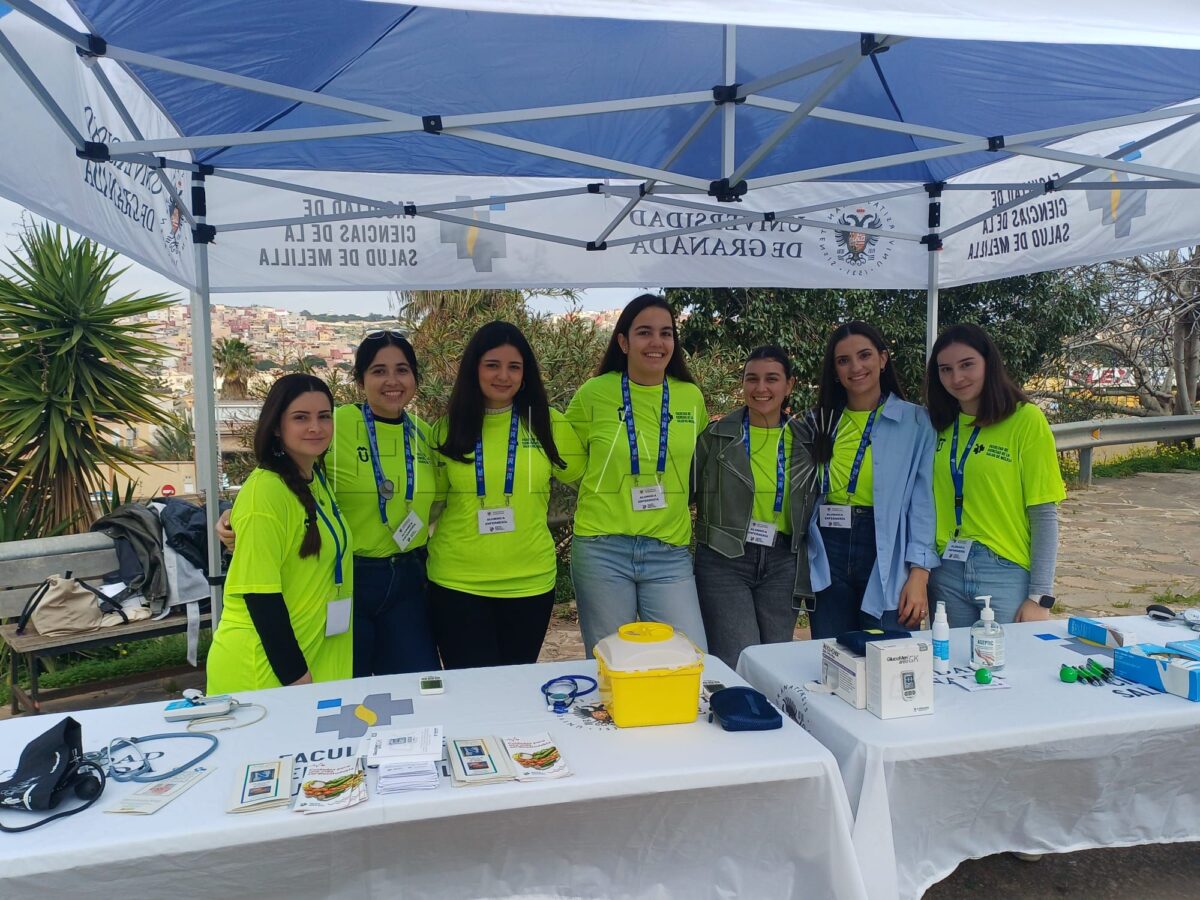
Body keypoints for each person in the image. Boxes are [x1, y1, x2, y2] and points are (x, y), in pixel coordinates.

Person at [218, 331, 441, 678]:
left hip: (408, 578)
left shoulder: (425, 435)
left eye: (402, 370)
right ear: (360, 380)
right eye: (379, 371)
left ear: (415, 377)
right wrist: (234, 515)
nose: (392, 381)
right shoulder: (335, 424)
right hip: (348, 577)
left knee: (417, 685)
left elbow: (444, 501)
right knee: (349, 689)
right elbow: (283, 476)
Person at [426, 321, 584, 668]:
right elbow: (430, 506)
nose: (503, 376)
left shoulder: (548, 424)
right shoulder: (447, 428)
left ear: (525, 374)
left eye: (514, 366)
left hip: (529, 583)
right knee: (471, 690)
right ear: (474, 369)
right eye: (492, 365)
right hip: (457, 583)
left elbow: (589, 483)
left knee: (515, 687)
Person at [566, 294, 709, 656]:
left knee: (690, 656)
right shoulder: (594, 394)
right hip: (602, 548)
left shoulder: (690, 397)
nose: (656, 342)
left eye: (666, 333)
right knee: (613, 661)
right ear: (623, 341)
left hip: (669, 552)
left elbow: (697, 462)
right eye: (644, 332)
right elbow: (569, 462)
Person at [207, 374, 352, 693]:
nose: (315, 427)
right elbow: (262, 597)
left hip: (311, 660)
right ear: (276, 426)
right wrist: (297, 679)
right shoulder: (265, 494)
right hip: (268, 673)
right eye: (301, 417)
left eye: (324, 416)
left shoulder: (314, 479)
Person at [925, 323, 1065, 626]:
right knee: (949, 656)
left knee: (1008, 657)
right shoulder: (937, 425)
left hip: (1004, 570)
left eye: (967, 365)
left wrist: (1040, 596)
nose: (956, 378)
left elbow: (1044, 513)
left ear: (989, 363)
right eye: (946, 369)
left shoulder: (1025, 419)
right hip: (946, 570)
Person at [807, 322, 939, 638]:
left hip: (886, 548)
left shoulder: (916, 421)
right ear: (834, 370)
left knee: (890, 654)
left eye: (864, 355)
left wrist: (919, 573)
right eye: (843, 360)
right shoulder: (819, 422)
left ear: (882, 359)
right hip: (827, 547)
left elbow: (924, 502)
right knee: (834, 655)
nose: (856, 367)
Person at [693, 346, 820, 669]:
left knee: (775, 661)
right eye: (752, 379)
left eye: (771, 379)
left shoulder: (808, 441)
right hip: (725, 558)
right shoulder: (716, 436)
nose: (761, 388)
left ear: (789, 385)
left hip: (783, 562)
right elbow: (690, 492)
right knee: (737, 657)